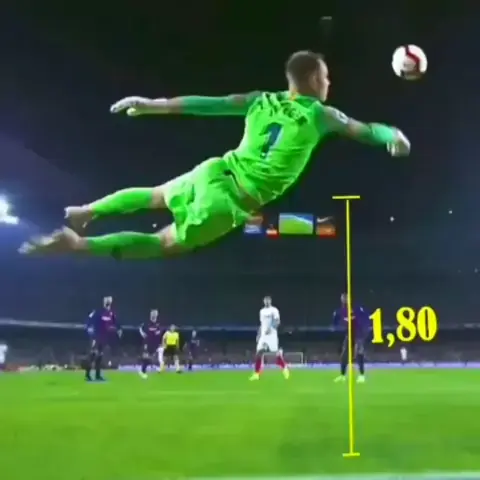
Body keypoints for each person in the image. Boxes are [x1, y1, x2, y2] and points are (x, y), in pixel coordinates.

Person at [19, 50, 410, 258]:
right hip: (230, 201)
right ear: (312, 80)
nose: (329, 82)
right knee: (166, 243)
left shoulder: (260, 100)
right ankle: (80, 245)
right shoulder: (322, 115)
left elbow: (207, 104)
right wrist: (393, 135)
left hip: (214, 169)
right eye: (325, 76)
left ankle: (88, 210)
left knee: (156, 195)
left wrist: (153, 104)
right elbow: (365, 130)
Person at [332, 293, 370, 383]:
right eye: (343, 299)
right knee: (344, 354)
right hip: (349, 334)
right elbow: (337, 322)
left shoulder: (357, 309)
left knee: (359, 353)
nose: (344, 300)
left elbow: (363, 320)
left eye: (346, 298)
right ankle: (342, 375)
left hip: (358, 334)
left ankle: (361, 375)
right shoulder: (342, 311)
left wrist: (363, 332)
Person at [250, 295, 288, 381]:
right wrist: (259, 334)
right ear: (263, 301)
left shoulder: (274, 310)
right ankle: (256, 374)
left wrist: (270, 328)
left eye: (268, 300)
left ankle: (285, 368)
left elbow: (277, 321)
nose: (266, 302)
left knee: (276, 354)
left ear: (270, 301)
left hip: (272, 335)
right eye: (265, 300)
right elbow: (261, 324)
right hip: (263, 335)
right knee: (259, 353)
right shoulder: (261, 311)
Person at [85, 296, 121, 382]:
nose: (108, 302)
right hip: (96, 336)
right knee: (93, 355)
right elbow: (89, 320)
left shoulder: (111, 313)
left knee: (100, 356)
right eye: (106, 300)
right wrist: (89, 329)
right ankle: (87, 375)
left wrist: (118, 329)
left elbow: (116, 323)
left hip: (104, 338)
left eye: (109, 300)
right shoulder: (98, 311)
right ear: (104, 302)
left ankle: (97, 375)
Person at [138, 308, 162, 379]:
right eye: (153, 313)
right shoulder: (147, 323)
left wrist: (158, 334)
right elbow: (141, 329)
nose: (154, 315)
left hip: (154, 344)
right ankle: (143, 371)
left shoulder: (157, 324)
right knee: (146, 357)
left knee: (149, 358)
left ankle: (145, 370)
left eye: (155, 313)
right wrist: (142, 333)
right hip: (147, 343)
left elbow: (158, 333)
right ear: (151, 314)